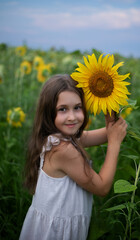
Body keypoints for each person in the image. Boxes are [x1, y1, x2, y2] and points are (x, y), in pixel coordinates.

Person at [19, 74, 127, 240]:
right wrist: (115, 143)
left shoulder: (57, 137)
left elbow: (105, 134)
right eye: (62, 109)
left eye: (77, 107)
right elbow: (102, 187)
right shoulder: (63, 150)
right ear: (49, 112)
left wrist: (109, 110)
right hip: (55, 234)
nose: (72, 117)